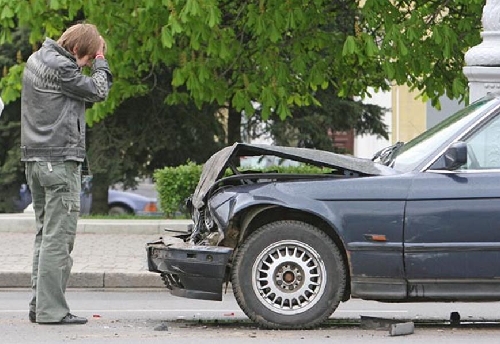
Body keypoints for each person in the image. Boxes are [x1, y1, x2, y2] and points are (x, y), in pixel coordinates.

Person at [21, 23, 112, 325]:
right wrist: (101, 60)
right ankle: (52, 311)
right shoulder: (62, 67)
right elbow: (99, 90)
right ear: (76, 50)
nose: (86, 65)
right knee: (58, 240)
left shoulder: (37, 59)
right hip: (58, 161)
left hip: (35, 160)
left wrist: (92, 55)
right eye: (85, 59)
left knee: (44, 236)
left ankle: (40, 305)